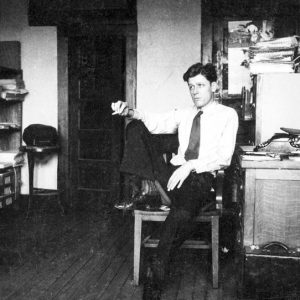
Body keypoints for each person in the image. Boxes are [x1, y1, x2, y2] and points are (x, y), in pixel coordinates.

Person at [111, 62, 238, 299]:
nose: (195, 91)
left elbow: (224, 158)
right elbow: (155, 121)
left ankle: (156, 270)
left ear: (214, 85)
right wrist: (128, 111)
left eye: (200, 85)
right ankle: (146, 186)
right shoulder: (185, 113)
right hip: (172, 173)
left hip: (200, 177)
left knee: (181, 212)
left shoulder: (228, 115)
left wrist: (191, 165)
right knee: (137, 127)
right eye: (191, 87)